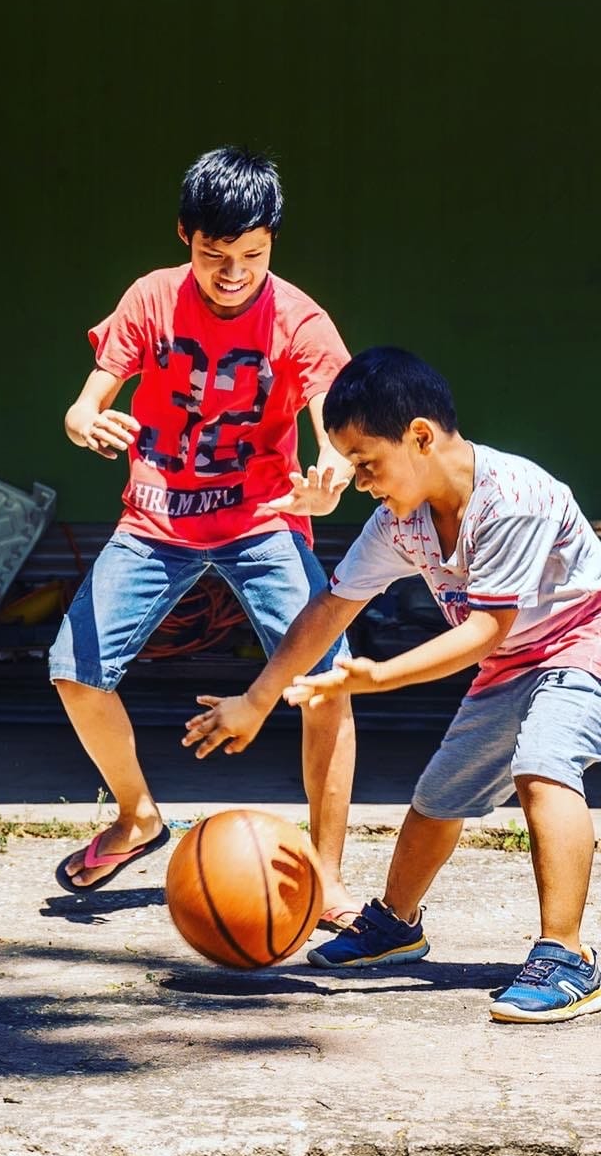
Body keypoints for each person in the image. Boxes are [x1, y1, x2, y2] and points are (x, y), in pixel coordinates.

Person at [186, 346, 601, 1023]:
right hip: (512, 659)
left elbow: (484, 631)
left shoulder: (512, 499)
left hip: (584, 641)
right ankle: (397, 924)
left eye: (365, 462)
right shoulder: (400, 520)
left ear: (420, 437)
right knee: (438, 798)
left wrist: (378, 676)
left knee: (543, 766)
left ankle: (567, 955)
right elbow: (331, 607)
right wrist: (257, 700)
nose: (359, 481)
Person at [49, 147, 358, 922]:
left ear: (272, 243)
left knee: (326, 684)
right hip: (157, 516)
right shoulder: (151, 297)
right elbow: (84, 404)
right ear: (185, 235)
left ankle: (327, 874)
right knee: (74, 671)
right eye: (215, 254)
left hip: (263, 518)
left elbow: (334, 420)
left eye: (251, 255)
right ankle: (136, 817)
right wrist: (85, 421)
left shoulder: (300, 319)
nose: (233, 273)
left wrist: (331, 472)